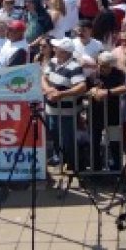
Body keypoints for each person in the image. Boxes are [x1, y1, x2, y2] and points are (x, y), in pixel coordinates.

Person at [44, 38, 87, 171]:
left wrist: (62, 94)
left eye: (57, 48)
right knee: (54, 134)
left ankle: (72, 164)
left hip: (67, 112)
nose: (54, 49)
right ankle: (60, 158)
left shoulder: (74, 67)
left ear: (64, 52)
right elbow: (43, 77)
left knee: (67, 139)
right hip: (51, 109)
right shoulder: (52, 62)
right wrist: (48, 89)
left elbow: (81, 86)